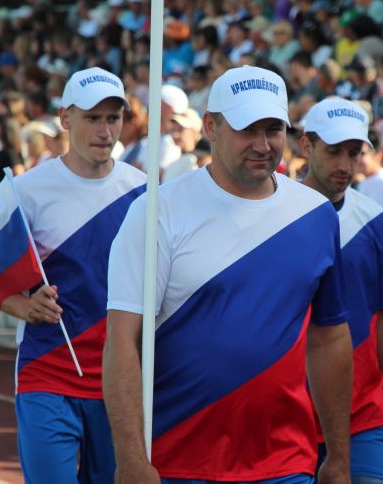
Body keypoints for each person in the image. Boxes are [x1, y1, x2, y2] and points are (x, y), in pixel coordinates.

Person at [104, 65, 354, 483]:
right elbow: (122, 340)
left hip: (285, 462)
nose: (262, 145)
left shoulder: (316, 214)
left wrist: (340, 457)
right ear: (211, 127)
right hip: (177, 460)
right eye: (246, 129)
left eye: (273, 129)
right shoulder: (157, 211)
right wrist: (130, 458)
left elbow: (329, 338)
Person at [0, 67, 147, 483]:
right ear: (65, 118)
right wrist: (24, 306)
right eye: (92, 118)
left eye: (113, 118)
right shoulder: (24, 190)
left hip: (120, 378)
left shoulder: (143, 191)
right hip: (47, 369)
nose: (104, 130)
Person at [299, 97, 383, 484]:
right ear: (306, 146)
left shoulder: (376, 220)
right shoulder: (273, 215)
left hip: (365, 413)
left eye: (354, 152)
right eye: (334, 152)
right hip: (289, 416)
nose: (345, 165)